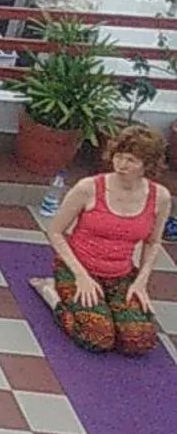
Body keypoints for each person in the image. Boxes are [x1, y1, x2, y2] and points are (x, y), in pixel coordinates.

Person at [41, 124, 171, 355]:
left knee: (139, 341)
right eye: (119, 157)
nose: (122, 165)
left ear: (147, 165)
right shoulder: (88, 188)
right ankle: (52, 295)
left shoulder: (160, 197)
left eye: (131, 160)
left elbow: (152, 242)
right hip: (78, 268)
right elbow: (55, 231)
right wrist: (81, 276)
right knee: (98, 337)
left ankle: (109, 306)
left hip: (120, 273)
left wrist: (141, 281)